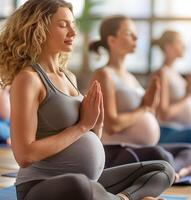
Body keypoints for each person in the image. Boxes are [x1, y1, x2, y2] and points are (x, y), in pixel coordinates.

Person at [0, 1, 175, 200]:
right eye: (63, 25)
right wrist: (82, 127)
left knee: (162, 169)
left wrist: (95, 124)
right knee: (80, 186)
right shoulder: (28, 79)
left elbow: (89, 138)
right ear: (38, 28)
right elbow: (24, 155)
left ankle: (122, 198)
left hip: (89, 180)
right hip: (41, 185)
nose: (73, 32)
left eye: (72, 25)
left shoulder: (69, 77)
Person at [89, 15, 191, 180]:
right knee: (162, 155)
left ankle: (171, 174)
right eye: (128, 33)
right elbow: (112, 124)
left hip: (142, 146)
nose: (136, 37)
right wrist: (144, 108)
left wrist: (150, 106)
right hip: (117, 149)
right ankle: (170, 172)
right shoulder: (103, 74)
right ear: (112, 40)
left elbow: (147, 113)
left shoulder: (130, 77)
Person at [151, 30, 191, 147]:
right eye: (180, 42)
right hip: (169, 131)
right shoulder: (162, 73)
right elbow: (164, 114)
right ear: (168, 47)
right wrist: (188, 95)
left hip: (187, 129)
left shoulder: (176, 74)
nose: (184, 46)